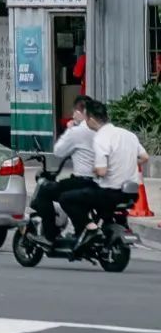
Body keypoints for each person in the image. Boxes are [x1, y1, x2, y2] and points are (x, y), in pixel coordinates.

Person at [61, 99, 147, 248]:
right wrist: (125, 164)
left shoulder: (101, 138)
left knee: (66, 198)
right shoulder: (128, 135)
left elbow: (102, 171)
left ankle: (91, 228)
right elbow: (144, 157)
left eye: (86, 118)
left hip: (109, 192)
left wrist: (95, 170)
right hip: (131, 194)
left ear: (91, 120)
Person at [35, 96, 94, 247]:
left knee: (45, 192)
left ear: (80, 113)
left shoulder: (77, 131)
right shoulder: (103, 130)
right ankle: (79, 231)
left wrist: (70, 129)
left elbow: (58, 151)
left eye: (74, 113)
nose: (73, 116)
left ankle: (49, 235)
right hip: (103, 181)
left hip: (83, 180)